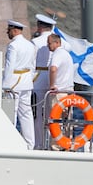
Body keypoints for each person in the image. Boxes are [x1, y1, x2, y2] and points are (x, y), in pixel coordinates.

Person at [3, 20, 36, 150]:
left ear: (14, 30)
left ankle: (9, 143)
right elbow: (33, 66)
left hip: (14, 82)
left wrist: (5, 86)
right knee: (26, 114)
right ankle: (30, 144)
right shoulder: (30, 45)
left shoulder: (13, 46)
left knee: (11, 112)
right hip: (27, 82)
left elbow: (9, 66)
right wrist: (29, 79)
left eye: (9, 30)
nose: (7, 32)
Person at [32, 14, 56, 149]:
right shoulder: (60, 40)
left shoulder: (35, 42)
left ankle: (39, 143)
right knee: (52, 112)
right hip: (55, 78)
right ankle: (53, 142)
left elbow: (31, 62)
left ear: (40, 26)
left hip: (39, 77)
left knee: (37, 114)